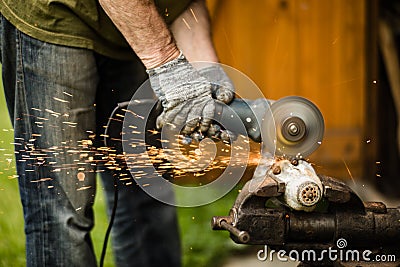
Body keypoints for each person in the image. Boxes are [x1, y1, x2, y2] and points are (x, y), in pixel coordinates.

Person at [0, 0, 234, 266]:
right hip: (55, 15)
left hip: (138, 20)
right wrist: (169, 67)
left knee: (146, 184)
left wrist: (205, 70)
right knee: (61, 213)